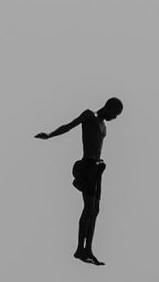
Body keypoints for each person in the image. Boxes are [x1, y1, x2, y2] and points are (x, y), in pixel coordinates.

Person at [35, 97, 123, 265]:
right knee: (88, 207)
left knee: (95, 210)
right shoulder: (90, 115)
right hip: (87, 166)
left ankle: (88, 249)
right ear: (109, 108)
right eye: (115, 114)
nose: (115, 118)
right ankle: (79, 249)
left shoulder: (104, 126)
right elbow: (68, 126)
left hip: (97, 169)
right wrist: (50, 135)